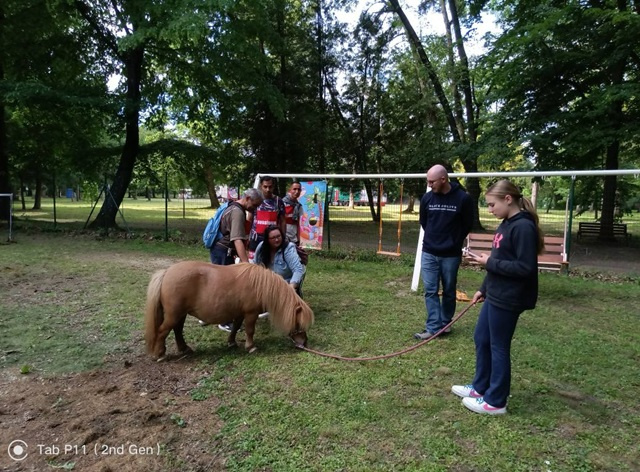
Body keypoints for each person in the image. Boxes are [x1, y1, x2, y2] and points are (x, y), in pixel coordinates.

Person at [452, 180, 543, 415]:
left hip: (510, 297)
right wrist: (484, 288)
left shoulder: (523, 227)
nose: (490, 209)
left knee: (498, 346)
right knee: (482, 338)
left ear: (508, 199)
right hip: (495, 292)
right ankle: (481, 387)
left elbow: (525, 268)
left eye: (492, 205)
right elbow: (499, 260)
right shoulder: (506, 224)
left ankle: (496, 402)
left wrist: (489, 262)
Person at [414, 164, 474, 340]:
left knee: (449, 289)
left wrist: (453, 241)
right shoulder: (427, 198)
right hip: (429, 252)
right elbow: (424, 222)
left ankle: (445, 324)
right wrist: (434, 239)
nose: (429, 184)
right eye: (428, 181)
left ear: (443, 179)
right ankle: (433, 327)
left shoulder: (463, 199)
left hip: (451, 254)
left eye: (432, 181)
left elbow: (467, 224)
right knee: (430, 290)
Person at [207, 188, 263, 332]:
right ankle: (224, 321)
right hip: (223, 252)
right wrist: (246, 264)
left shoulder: (232, 206)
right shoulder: (238, 212)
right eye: (255, 205)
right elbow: (237, 239)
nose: (255, 209)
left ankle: (208, 315)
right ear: (248, 198)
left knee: (218, 284)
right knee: (224, 287)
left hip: (220, 250)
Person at [254, 225, 306, 298]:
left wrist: (291, 287)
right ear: (267, 240)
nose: (276, 240)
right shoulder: (261, 247)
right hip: (266, 286)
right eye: (273, 238)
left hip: (285, 286)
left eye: (278, 236)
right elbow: (255, 266)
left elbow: (298, 270)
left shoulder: (288, 248)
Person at [248, 176, 286, 259]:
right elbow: (249, 219)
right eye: (265, 187)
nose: (268, 189)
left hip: (272, 240)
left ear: (273, 187)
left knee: (270, 262)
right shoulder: (255, 200)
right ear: (261, 186)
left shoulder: (278, 201)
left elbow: (283, 221)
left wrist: (283, 237)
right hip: (255, 239)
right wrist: (247, 236)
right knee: (253, 263)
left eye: (270, 187)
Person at [282, 181, 303, 245]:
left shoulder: (299, 206)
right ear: (290, 190)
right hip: (283, 238)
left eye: (299, 189)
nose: (297, 191)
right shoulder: (282, 203)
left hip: (294, 239)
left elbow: (298, 224)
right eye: (294, 189)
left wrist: (299, 240)